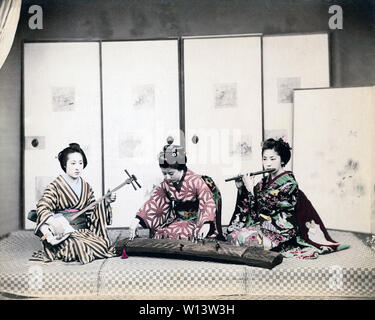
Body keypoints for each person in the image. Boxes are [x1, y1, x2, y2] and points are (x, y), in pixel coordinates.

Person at [227, 137, 349, 258]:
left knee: (241, 238)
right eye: (265, 159)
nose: (268, 163)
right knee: (232, 235)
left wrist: (250, 189)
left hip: (281, 231)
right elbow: (254, 208)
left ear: (282, 160)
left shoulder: (290, 184)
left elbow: (265, 208)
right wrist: (241, 188)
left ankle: (284, 245)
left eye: (272, 159)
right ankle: (266, 244)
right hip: (265, 226)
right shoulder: (264, 181)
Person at [33, 143, 126, 264]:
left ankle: (86, 246)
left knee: (103, 245)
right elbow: (43, 206)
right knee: (79, 247)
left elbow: (92, 211)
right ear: (65, 164)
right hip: (64, 232)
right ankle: (73, 248)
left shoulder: (86, 187)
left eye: (80, 163)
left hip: (82, 232)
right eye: (73, 163)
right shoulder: (56, 185)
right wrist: (53, 222)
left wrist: (105, 203)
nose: (77, 167)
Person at [129, 139, 224, 241]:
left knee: (184, 234)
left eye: (171, 173)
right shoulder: (166, 184)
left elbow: (207, 203)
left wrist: (206, 223)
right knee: (162, 233)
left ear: (181, 169)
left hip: (196, 221)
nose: (167, 178)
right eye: (164, 173)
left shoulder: (196, 181)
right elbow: (155, 202)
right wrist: (137, 220)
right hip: (178, 219)